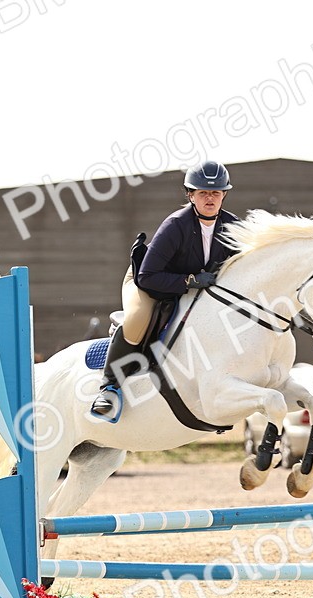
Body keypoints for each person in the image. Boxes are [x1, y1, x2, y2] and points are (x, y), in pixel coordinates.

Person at [91, 161, 239, 418]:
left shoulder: (232, 226)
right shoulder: (175, 225)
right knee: (139, 319)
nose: (210, 198)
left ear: (224, 194)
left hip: (197, 287)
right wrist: (189, 281)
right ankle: (109, 387)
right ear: (190, 194)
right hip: (149, 283)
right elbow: (148, 276)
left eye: (216, 193)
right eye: (203, 192)